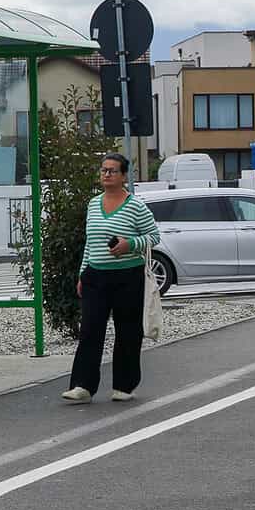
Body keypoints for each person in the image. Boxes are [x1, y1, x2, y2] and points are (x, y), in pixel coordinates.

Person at [62, 153, 161, 404]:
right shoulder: (93, 204)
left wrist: (130, 244)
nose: (106, 174)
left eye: (112, 171)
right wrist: (83, 273)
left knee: (127, 331)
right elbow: (90, 243)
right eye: (104, 170)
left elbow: (154, 236)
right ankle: (82, 386)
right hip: (96, 276)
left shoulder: (135, 206)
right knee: (90, 330)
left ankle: (123, 386)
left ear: (124, 176)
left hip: (128, 275)